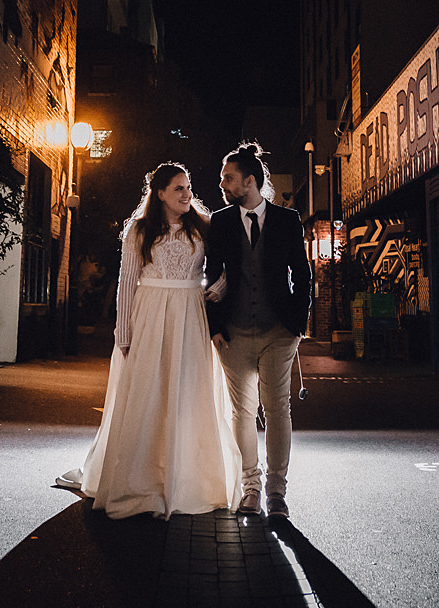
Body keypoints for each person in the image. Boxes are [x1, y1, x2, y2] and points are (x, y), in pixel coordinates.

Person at [55, 162, 241, 519]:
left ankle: (188, 476)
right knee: (149, 391)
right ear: (159, 194)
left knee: (187, 391)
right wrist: (122, 333)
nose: (187, 194)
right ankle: (142, 477)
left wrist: (216, 288)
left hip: (190, 316)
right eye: (179, 189)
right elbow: (127, 284)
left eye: (188, 187)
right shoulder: (139, 231)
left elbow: (228, 266)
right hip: (150, 315)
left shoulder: (203, 227)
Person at [205, 141, 313, 520]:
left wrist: (297, 325)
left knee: (278, 408)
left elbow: (303, 274)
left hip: (277, 332)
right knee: (242, 412)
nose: (222, 184)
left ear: (249, 181)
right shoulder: (219, 222)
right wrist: (215, 327)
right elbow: (211, 276)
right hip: (232, 333)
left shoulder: (286, 220)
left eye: (228, 178)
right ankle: (250, 487)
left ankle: (277, 493)